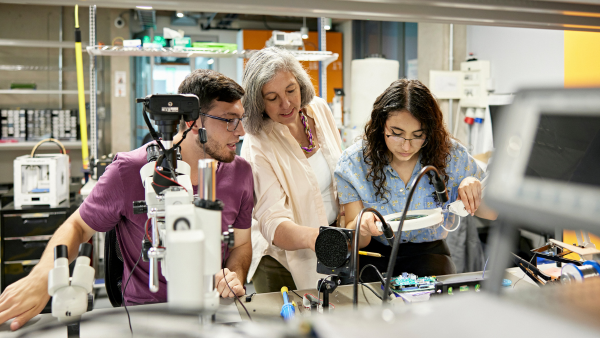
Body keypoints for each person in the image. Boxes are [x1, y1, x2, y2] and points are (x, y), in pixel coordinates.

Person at [0, 69, 253, 331]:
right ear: (194, 121)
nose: (241, 131)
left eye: (241, 119)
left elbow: (241, 245)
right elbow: (77, 226)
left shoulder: (241, 172)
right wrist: (43, 278)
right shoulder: (129, 170)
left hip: (214, 309)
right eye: (229, 120)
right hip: (146, 313)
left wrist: (233, 276)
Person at [335, 79, 497, 281]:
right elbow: (357, 240)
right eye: (396, 134)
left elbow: (491, 213)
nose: (406, 146)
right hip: (374, 254)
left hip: (429, 255)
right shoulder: (354, 163)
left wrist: (473, 187)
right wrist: (362, 225)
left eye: (418, 135)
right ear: (380, 125)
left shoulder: (452, 156)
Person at [240, 47, 342, 292]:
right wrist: (316, 238)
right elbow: (272, 221)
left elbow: (341, 176)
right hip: (281, 263)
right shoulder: (257, 142)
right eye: (272, 98)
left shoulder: (319, 109)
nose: (286, 103)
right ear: (258, 101)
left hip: (331, 247)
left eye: (291, 90)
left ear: (301, 84)